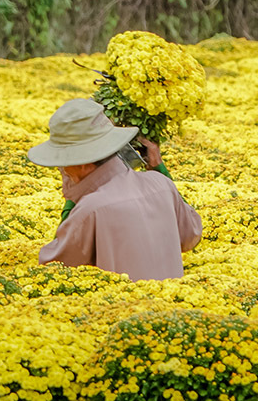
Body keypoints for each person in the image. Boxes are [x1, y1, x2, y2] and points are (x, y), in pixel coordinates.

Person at [27, 98, 202, 281]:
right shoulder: (162, 184)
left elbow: (53, 268)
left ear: (83, 163)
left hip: (123, 308)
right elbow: (192, 235)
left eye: (62, 162)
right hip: (173, 307)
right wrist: (158, 167)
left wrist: (73, 198)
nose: (61, 169)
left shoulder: (90, 209)